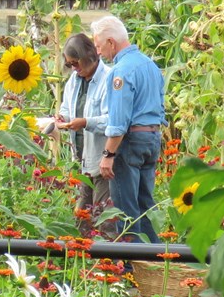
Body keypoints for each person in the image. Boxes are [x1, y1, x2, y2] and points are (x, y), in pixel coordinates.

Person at [91, 15, 166, 243]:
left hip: (130, 142)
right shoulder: (150, 65)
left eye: (99, 46)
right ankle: (156, 265)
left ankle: (130, 271)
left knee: (126, 212)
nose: (99, 53)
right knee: (146, 207)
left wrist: (108, 155)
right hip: (152, 138)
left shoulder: (120, 72)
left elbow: (119, 121)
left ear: (111, 42)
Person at [54, 33, 112, 222]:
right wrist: (62, 119)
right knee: (82, 218)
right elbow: (66, 108)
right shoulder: (74, 80)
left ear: (89, 56)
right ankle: (81, 252)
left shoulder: (109, 79)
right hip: (81, 160)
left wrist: (85, 122)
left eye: (76, 63)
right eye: (70, 64)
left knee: (103, 218)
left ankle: (106, 252)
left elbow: (113, 120)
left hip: (103, 159)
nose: (74, 68)